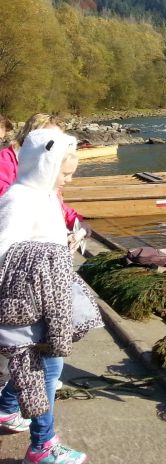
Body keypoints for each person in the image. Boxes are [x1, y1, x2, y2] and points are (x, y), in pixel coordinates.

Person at [0, 128, 99, 464]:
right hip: (29, 305)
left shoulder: (45, 196)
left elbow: (47, 240)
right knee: (46, 372)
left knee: (36, 368)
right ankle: (42, 445)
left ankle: (7, 407)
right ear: (45, 164)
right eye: (65, 173)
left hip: (49, 300)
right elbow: (3, 251)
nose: (68, 181)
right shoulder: (19, 199)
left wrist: (69, 242)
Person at [0, 113, 91, 239]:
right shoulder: (5, 162)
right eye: (49, 138)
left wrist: (75, 220)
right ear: (33, 137)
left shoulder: (50, 167)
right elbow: (8, 201)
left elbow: (53, 199)